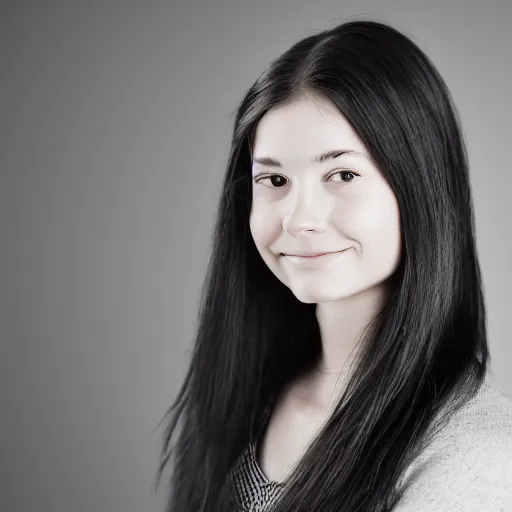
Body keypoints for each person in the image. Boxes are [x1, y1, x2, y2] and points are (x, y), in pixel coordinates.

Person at [155, 19, 512, 512]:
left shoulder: (473, 453)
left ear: (422, 186)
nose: (300, 219)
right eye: (274, 181)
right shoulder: (248, 394)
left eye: (341, 174)